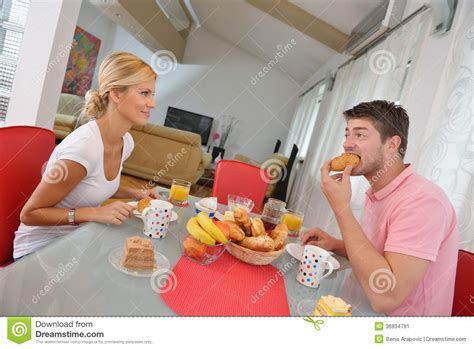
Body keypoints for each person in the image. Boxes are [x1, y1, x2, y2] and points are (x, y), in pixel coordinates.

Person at [301, 100, 459, 316]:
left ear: (393, 144)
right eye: (347, 134)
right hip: (353, 309)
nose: (347, 144)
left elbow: (386, 296)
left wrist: (341, 209)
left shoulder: (424, 201)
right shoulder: (378, 190)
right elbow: (379, 257)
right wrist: (336, 244)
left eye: (360, 135)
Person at [14, 52, 159, 260]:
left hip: (78, 241)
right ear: (117, 94)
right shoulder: (84, 148)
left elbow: (93, 184)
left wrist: (135, 193)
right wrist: (93, 213)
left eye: (152, 94)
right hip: (39, 251)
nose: (152, 103)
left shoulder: (125, 142)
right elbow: (29, 214)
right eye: (144, 93)